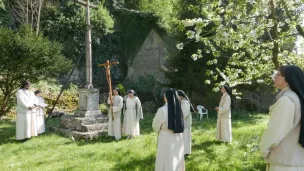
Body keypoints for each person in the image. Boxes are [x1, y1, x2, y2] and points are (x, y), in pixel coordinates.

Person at [259, 65, 304, 171]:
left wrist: (264, 149)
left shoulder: (287, 100)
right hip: (296, 162)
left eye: (278, 74)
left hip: (284, 164)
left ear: (287, 79)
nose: (274, 77)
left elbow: (275, 131)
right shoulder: (297, 98)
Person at [152, 88, 185, 171]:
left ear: (166, 98)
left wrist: (158, 130)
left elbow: (155, 125)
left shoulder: (162, 110)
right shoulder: (179, 109)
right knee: (176, 157)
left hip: (165, 136)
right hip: (178, 137)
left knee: (165, 157)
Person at [177, 90, 194, 156]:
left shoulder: (185, 103)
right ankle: (183, 151)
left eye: (177, 96)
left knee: (186, 138)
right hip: (183, 123)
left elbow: (185, 114)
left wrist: (177, 117)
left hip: (185, 123)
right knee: (183, 138)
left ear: (181, 96)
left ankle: (186, 152)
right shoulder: (182, 102)